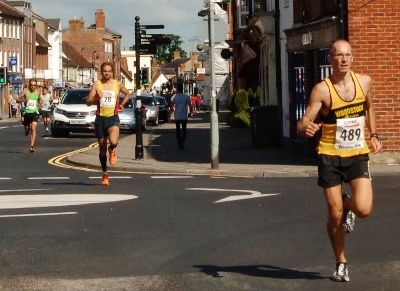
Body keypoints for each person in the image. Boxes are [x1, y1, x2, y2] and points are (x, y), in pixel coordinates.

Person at [297, 39, 382, 282]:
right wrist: (305, 127)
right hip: (330, 156)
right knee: (334, 215)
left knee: (364, 209)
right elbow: (304, 121)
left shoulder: (364, 82)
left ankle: (348, 204)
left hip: (356, 154)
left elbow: (368, 108)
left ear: (352, 58)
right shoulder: (322, 90)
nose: (344, 59)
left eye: (348, 55)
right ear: (330, 59)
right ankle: (341, 262)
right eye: (339, 55)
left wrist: (374, 135)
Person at [86, 62, 131, 186]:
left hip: (113, 118)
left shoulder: (117, 84)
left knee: (114, 142)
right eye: (105, 71)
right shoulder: (97, 85)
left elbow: (127, 93)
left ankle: (112, 149)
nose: (107, 73)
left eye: (109, 71)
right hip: (100, 119)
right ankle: (105, 173)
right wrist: (97, 98)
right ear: (101, 72)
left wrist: (122, 104)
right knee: (101, 150)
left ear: (112, 72)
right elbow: (88, 102)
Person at [16, 79, 42, 153]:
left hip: (35, 113)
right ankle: (26, 128)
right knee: (27, 131)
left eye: (34, 85)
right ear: (29, 85)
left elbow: (40, 101)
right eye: (31, 85)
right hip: (27, 113)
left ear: (36, 86)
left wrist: (40, 104)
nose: (33, 87)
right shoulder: (25, 92)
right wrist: (24, 101)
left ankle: (31, 146)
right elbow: (17, 100)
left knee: (33, 128)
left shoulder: (38, 93)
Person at [171, 81, 190, 150]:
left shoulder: (175, 97)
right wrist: (190, 113)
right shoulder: (186, 97)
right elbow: (189, 105)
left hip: (177, 116)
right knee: (184, 130)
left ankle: (179, 144)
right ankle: (183, 143)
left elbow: (171, 105)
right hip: (184, 116)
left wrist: (171, 113)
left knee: (178, 130)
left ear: (177, 89)